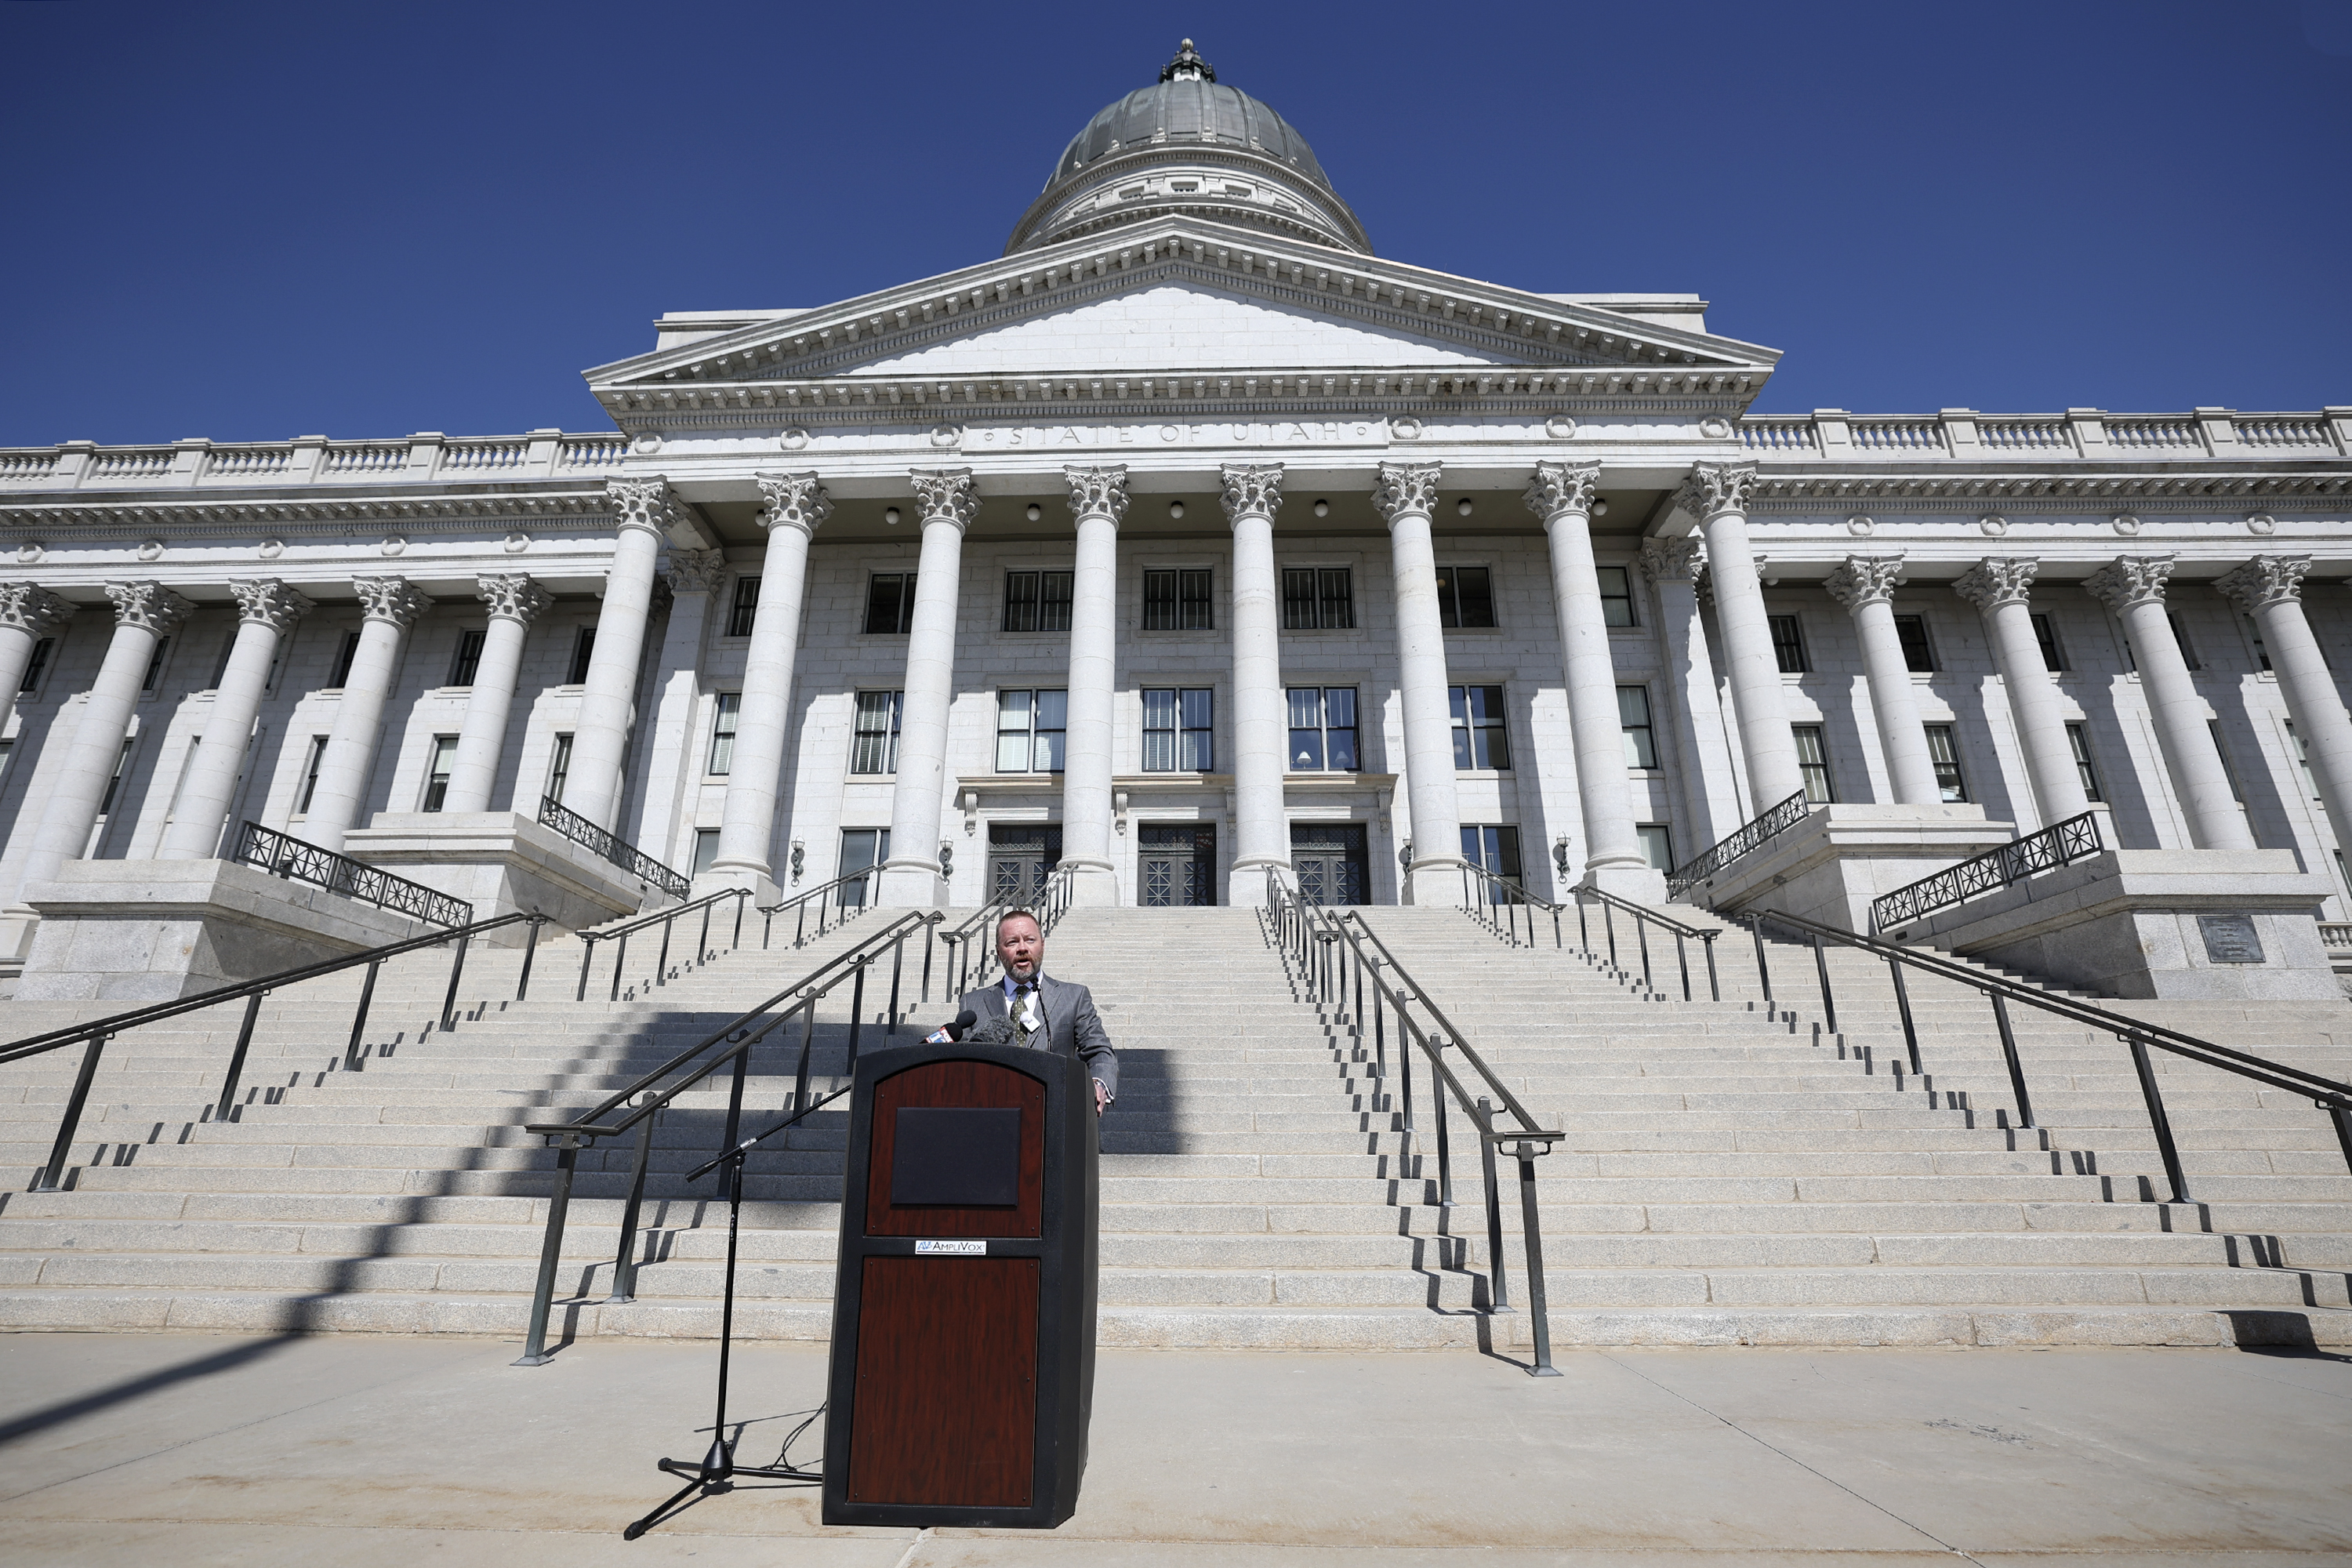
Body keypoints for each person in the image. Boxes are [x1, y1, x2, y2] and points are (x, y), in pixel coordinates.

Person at [958, 908, 1118, 1115]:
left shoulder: (1074, 997)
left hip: (1054, 1114)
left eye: (1030, 940)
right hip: (991, 1116)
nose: (1022, 948)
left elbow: (1100, 1051)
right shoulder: (973, 1002)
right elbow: (958, 1060)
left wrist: (1098, 1084)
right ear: (999, 952)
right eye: (1012, 942)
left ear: (1042, 945)